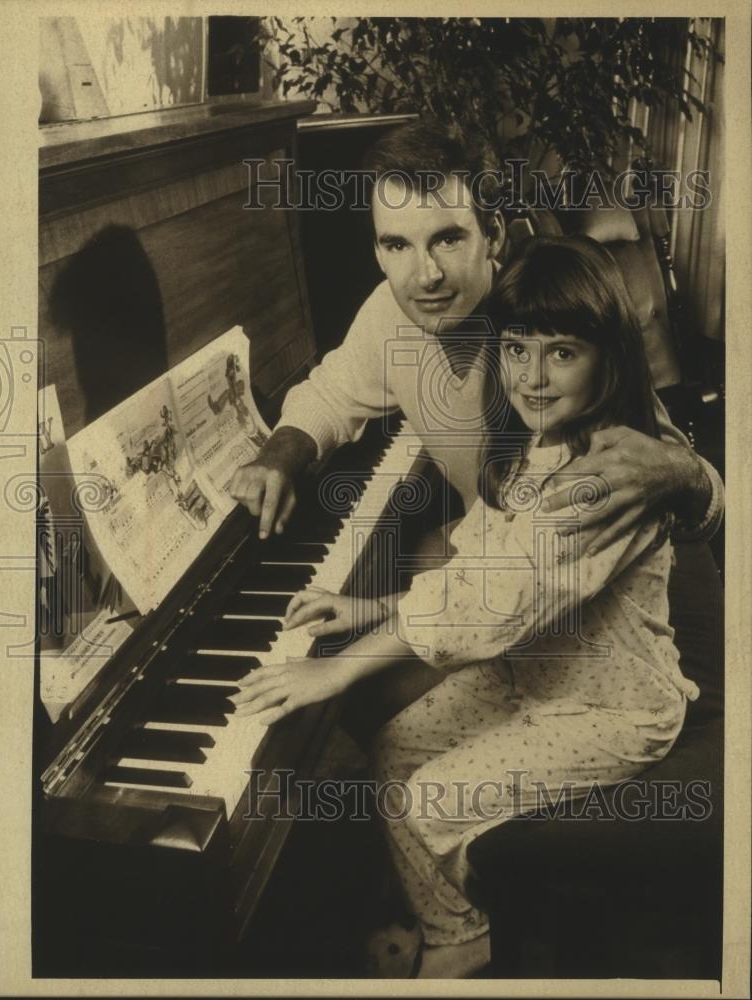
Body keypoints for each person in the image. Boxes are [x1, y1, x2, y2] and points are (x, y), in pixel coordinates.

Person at [230, 236, 703, 977]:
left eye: (561, 354)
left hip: (612, 708)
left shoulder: (605, 476)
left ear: (607, 356)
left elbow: (494, 605)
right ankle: (454, 926)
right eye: (516, 350)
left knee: (437, 796)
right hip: (534, 675)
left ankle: (471, 947)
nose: (532, 379)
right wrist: (371, 607)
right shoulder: (530, 445)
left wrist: (339, 671)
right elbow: (479, 560)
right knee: (394, 749)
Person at [227, 119, 723, 553]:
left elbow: (699, 500)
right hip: (518, 564)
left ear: (495, 235)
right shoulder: (387, 313)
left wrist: (681, 474)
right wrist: (279, 457)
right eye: (397, 244)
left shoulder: (551, 319)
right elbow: (329, 395)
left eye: (448, 238)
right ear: (378, 253)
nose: (425, 275)